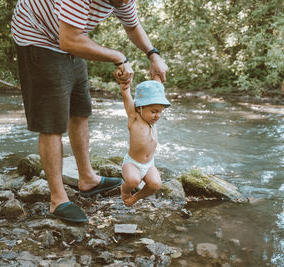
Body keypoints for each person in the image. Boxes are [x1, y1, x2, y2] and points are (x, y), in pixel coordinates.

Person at [11, 0, 168, 222]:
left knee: (80, 110)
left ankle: (87, 179)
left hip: (70, 35)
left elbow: (132, 26)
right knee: (52, 123)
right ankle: (58, 200)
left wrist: (153, 54)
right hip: (38, 37)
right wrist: (118, 57)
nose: (125, 2)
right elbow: (69, 40)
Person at [117, 78, 171, 207]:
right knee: (133, 181)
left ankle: (136, 197)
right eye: (154, 112)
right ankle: (124, 191)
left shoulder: (152, 122)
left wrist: (158, 75)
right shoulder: (134, 118)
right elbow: (127, 99)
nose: (157, 116)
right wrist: (125, 88)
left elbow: (157, 86)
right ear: (140, 108)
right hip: (133, 163)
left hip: (149, 164)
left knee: (155, 184)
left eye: (160, 112)